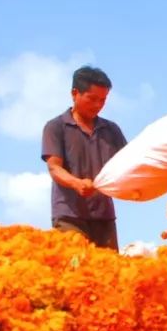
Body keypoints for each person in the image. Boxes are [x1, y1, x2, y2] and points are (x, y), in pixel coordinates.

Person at [42, 66, 127, 249]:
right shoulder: (56, 127)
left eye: (103, 100)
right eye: (92, 99)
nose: (98, 105)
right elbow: (54, 168)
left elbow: (129, 163)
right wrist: (76, 183)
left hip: (104, 216)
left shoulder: (111, 130)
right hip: (69, 216)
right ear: (75, 93)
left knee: (109, 272)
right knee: (77, 270)